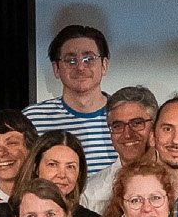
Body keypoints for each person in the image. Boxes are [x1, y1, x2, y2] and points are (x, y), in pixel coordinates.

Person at [26, 24, 117, 171]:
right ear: (56, 69)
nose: (80, 67)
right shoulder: (32, 119)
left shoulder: (126, 117)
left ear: (104, 65)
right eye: (71, 60)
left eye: (89, 59)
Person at [81, 85, 156, 215]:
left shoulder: (177, 179)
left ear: (154, 126)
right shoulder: (91, 192)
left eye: (137, 123)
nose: (127, 134)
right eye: (117, 126)